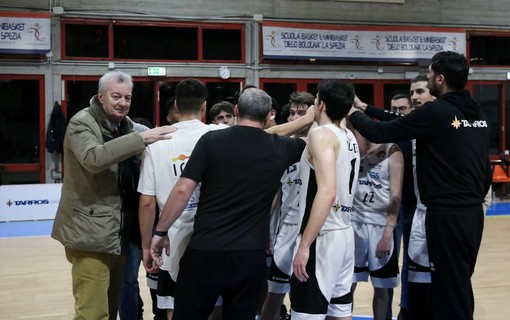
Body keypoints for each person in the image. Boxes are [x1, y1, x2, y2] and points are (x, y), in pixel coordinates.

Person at [348, 51, 492, 320]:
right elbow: (485, 171)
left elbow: (380, 132)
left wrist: (351, 112)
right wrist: (366, 108)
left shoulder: (437, 112)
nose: (424, 79)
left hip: (445, 213)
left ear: (440, 78)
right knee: (459, 283)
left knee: (448, 290)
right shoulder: (476, 112)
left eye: (428, 75)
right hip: (472, 214)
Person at [150, 88, 315, 320]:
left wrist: (160, 231)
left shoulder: (211, 140)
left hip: (205, 251)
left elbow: (183, 189)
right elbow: (316, 138)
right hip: (249, 256)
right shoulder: (281, 147)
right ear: (269, 115)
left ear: (236, 110)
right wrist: (311, 117)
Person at [51, 70, 175, 320]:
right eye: (116, 96)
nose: (122, 103)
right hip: (89, 235)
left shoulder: (126, 126)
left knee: (110, 306)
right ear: (101, 96)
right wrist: (140, 139)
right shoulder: (81, 122)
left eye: (127, 98)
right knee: (92, 313)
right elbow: (93, 158)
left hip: (117, 234)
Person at [138, 78, 227, 320]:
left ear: (176, 105)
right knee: (214, 305)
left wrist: (147, 246)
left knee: (174, 307)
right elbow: (261, 134)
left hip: (170, 241)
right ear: (204, 106)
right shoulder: (220, 134)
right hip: (213, 238)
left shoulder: (156, 143)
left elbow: (147, 202)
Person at [351, 75, 435, 320]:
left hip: (413, 206)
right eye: (394, 109)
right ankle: (386, 315)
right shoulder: (388, 140)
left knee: (412, 264)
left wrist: (363, 107)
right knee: (383, 271)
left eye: (402, 109)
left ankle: (406, 310)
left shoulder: (415, 128)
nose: (397, 113)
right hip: (390, 210)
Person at [291, 79, 360, 320]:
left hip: (323, 235)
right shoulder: (348, 135)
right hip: (344, 233)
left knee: (306, 314)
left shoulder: (320, 134)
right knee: (340, 312)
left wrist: (304, 245)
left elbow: (327, 192)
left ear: (321, 105)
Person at [261, 91, 315, 320]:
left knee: (305, 299)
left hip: (313, 230)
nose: (294, 117)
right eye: (292, 112)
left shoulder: (324, 142)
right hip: (287, 228)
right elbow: (276, 192)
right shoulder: (284, 146)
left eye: (301, 113)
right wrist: (266, 230)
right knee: (273, 295)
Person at [350, 137, 403, 320]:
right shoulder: (352, 146)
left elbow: (396, 196)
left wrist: (388, 233)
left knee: (382, 287)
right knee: (347, 284)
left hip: (380, 225)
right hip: (354, 223)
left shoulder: (392, 150)